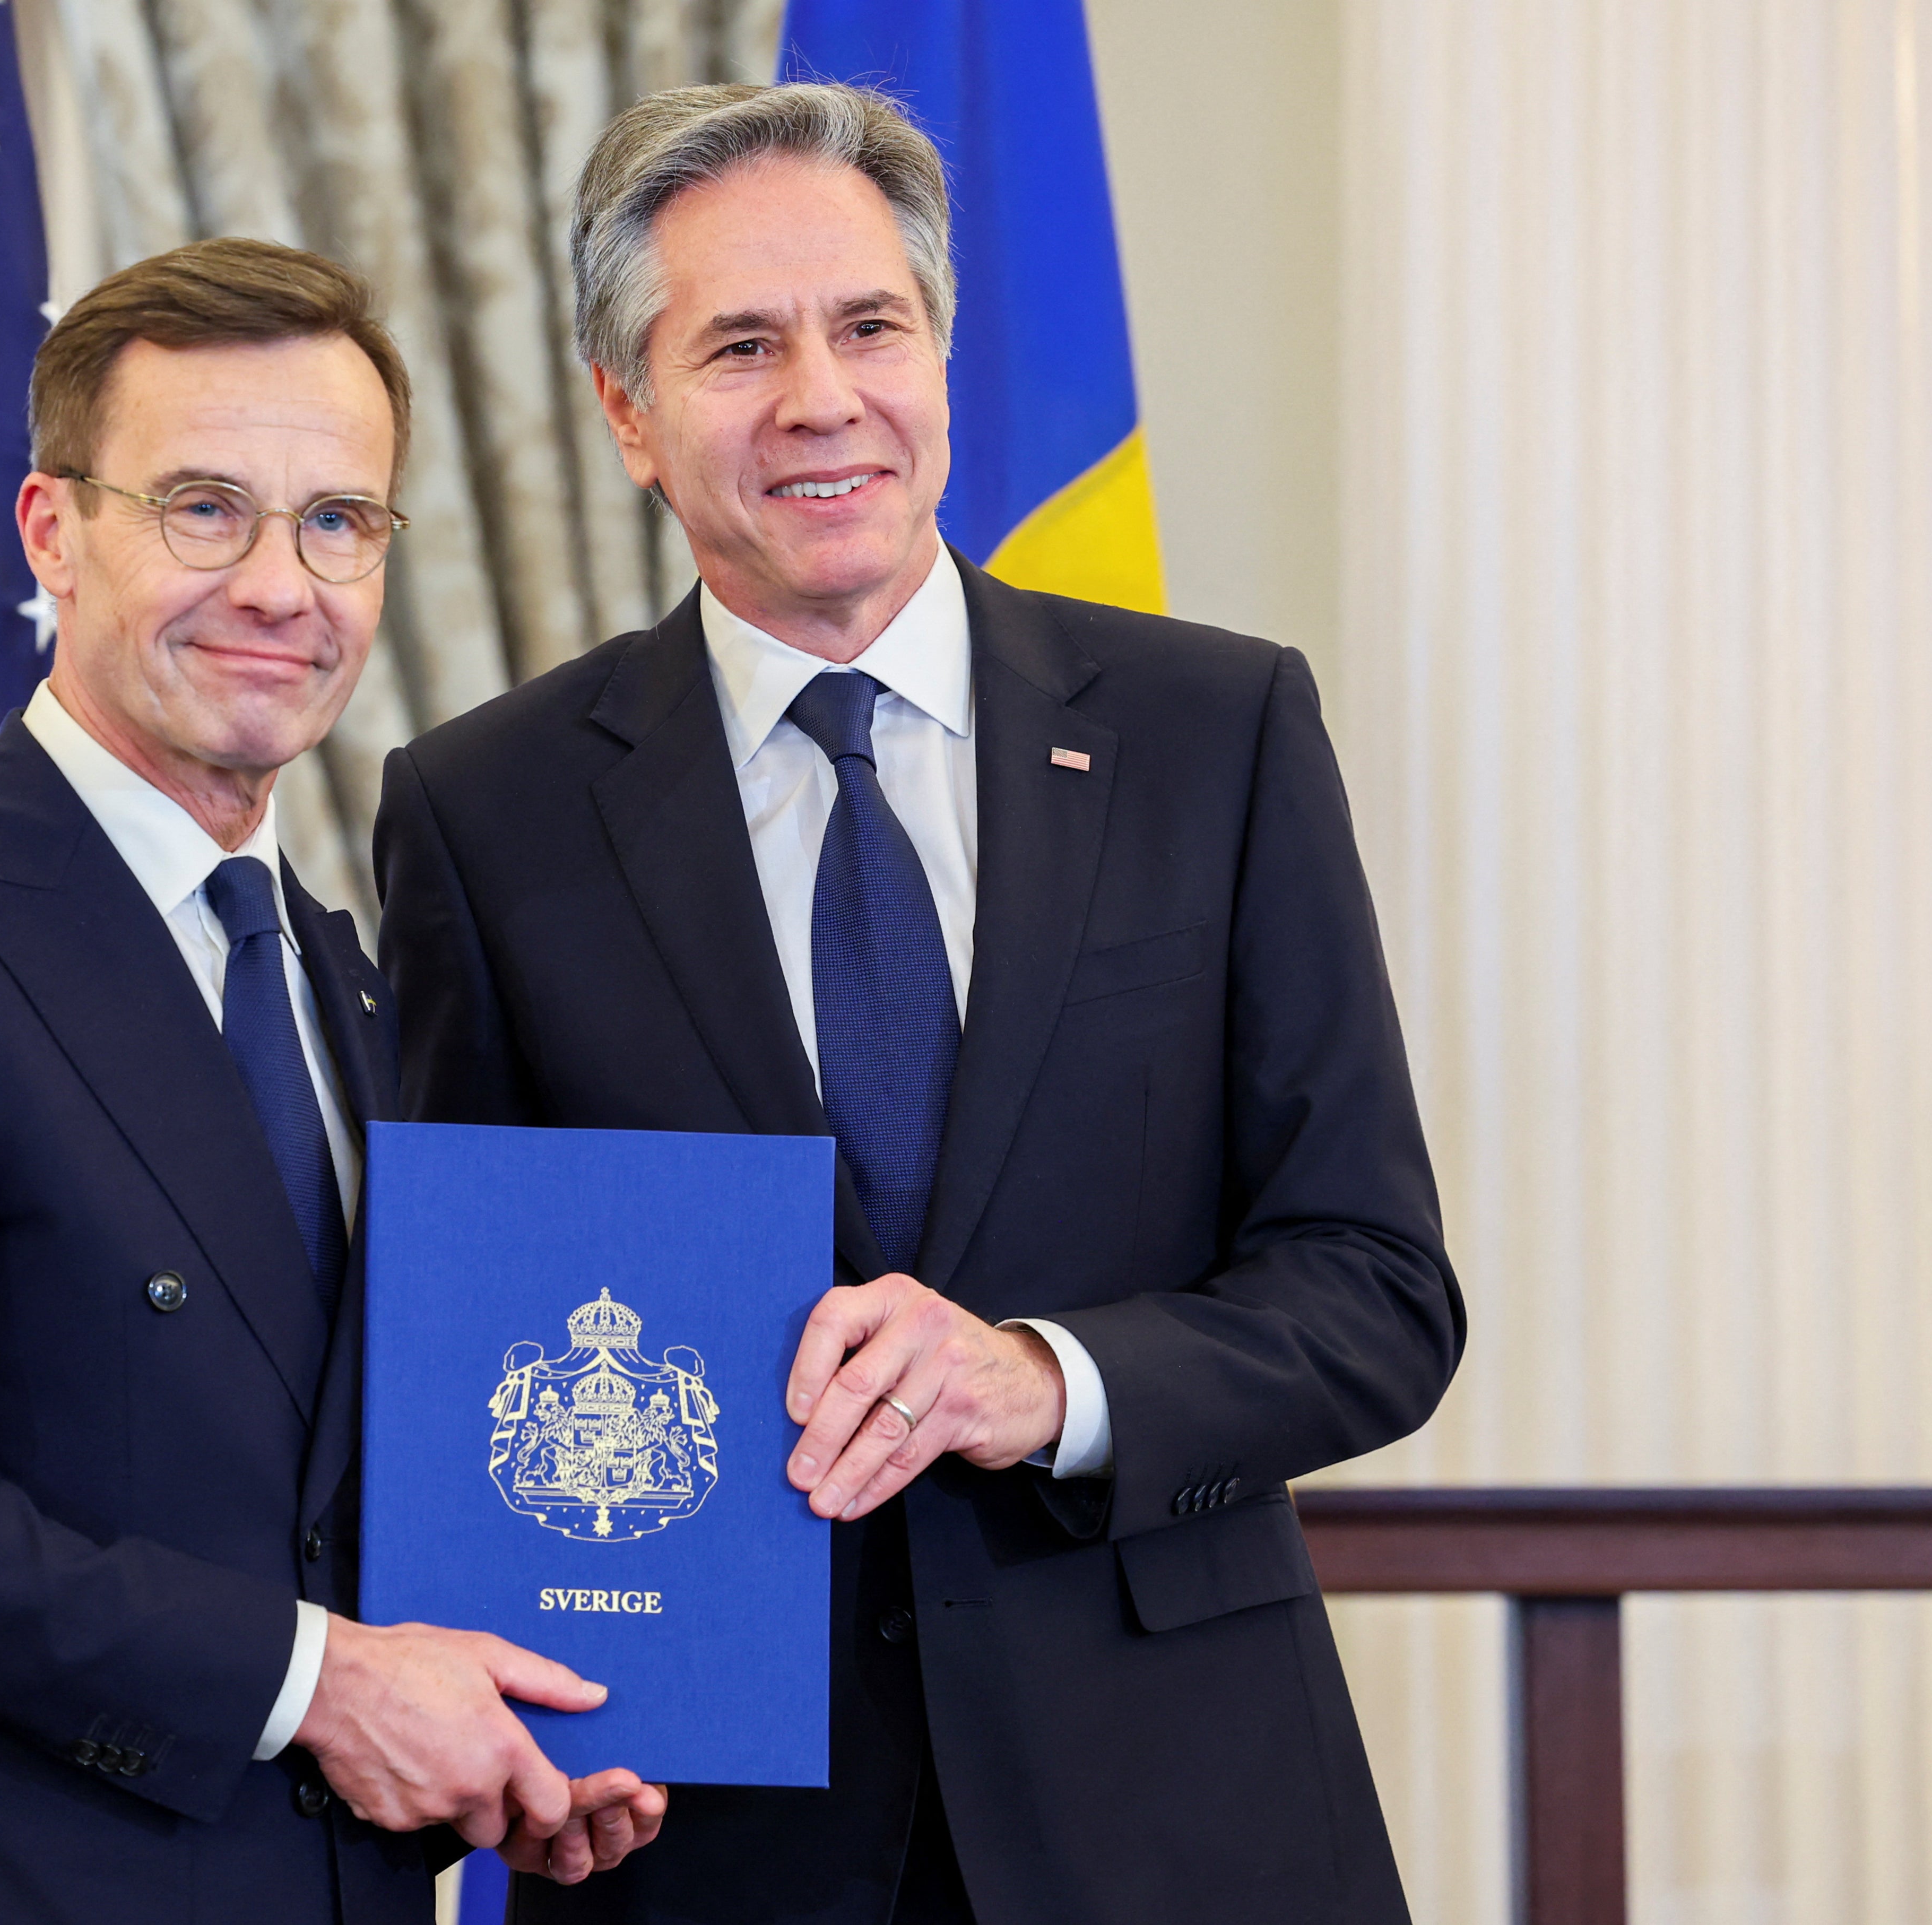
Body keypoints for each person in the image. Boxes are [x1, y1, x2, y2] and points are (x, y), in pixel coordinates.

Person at [374, 85, 1464, 1924]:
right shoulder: (486, 811)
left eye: (869, 324)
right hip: (702, 1840)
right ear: (627, 413)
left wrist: (1043, 1378)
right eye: (738, 344)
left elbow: (1375, 1290)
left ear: (940, 351)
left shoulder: (1218, 733)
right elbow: (459, 1337)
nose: (821, 397)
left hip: (1181, 1813)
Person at [0, 238, 661, 1925]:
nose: (283, 586)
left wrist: (527, 1719)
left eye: (337, 520)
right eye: (203, 508)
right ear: (53, 532)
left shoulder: (347, 977)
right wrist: (317, 1684)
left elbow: (325, 1484)